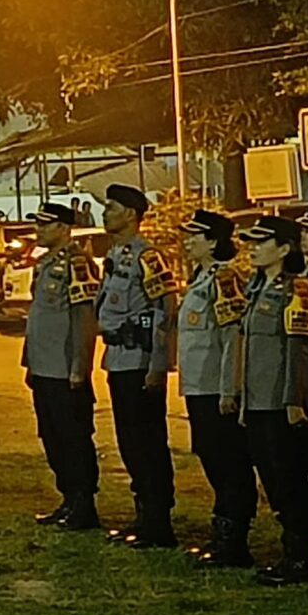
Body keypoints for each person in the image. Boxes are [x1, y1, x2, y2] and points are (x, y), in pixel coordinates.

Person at [95, 183, 180, 548]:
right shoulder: (116, 254)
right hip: (118, 359)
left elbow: (165, 310)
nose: (105, 214)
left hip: (140, 361)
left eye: (111, 208)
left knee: (148, 444)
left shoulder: (148, 257)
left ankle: (158, 521)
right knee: (129, 442)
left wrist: (158, 365)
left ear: (130, 214)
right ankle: (143, 514)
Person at [235, 216, 308, 585]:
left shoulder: (295, 289)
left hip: (279, 403)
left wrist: (293, 399)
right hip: (257, 400)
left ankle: (301, 558)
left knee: (289, 480)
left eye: (261, 242)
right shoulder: (255, 287)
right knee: (271, 478)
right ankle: (290, 553)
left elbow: (297, 349)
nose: (253, 249)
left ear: (285, 249)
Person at [174, 210, 256, 567]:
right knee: (210, 456)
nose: (188, 241)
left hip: (215, 389)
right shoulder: (200, 278)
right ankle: (223, 532)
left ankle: (233, 538)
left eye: (196, 236)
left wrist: (228, 389)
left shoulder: (224, 279)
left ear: (213, 242)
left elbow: (231, 337)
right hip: (198, 386)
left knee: (228, 462)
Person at [21, 201, 102, 531]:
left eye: (45, 224)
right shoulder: (44, 264)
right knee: (51, 435)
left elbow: (84, 319)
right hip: (44, 366)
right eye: (38, 224)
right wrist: (29, 362)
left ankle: (83, 504)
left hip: (65, 369)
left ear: (64, 229)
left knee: (73, 438)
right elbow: (38, 318)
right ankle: (68, 499)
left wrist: (80, 366)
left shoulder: (77, 263)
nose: (38, 230)